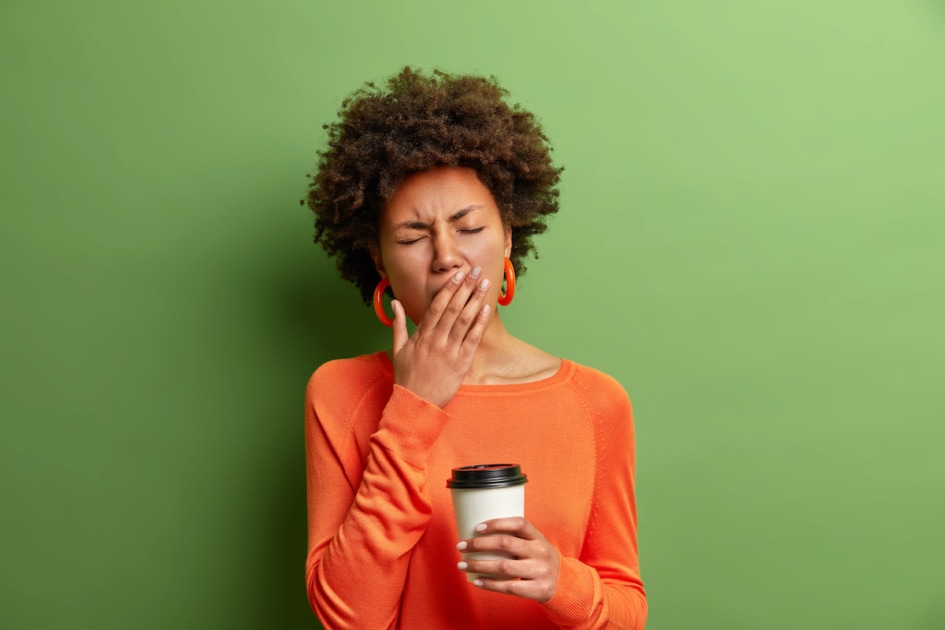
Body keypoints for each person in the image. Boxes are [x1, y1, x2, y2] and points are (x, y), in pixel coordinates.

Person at [302, 67, 646, 629]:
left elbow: (628, 612)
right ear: (378, 262)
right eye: (413, 237)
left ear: (509, 235)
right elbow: (351, 619)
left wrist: (561, 582)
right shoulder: (340, 393)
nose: (446, 257)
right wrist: (414, 407)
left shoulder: (596, 402)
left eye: (468, 228)